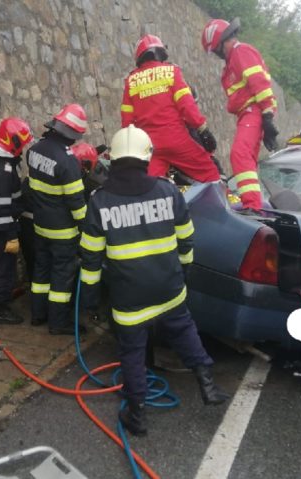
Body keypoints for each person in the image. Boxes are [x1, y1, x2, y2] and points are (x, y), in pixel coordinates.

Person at [79, 125, 230, 436]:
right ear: (147, 157)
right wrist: (183, 273)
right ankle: (208, 385)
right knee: (184, 331)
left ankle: (137, 415)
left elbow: (91, 260)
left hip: (129, 300)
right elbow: (186, 241)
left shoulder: (100, 201)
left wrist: (91, 300)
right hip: (169, 289)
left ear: (113, 158)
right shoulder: (168, 190)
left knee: (132, 352)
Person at [202, 18, 280, 210]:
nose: (218, 55)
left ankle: (252, 207)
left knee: (240, 154)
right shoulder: (235, 58)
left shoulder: (240, 51)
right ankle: (255, 204)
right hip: (248, 113)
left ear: (221, 43)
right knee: (249, 161)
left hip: (253, 111)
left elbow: (258, 82)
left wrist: (267, 115)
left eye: (216, 50)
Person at [120, 34, 221, 183]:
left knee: (149, 189)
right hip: (176, 140)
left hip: (150, 147)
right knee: (211, 175)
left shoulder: (131, 81)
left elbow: (127, 122)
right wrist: (202, 129)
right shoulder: (172, 72)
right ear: (160, 53)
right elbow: (187, 106)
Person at [27, 104, 90, 335]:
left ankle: (38, 314)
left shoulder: (33, 151)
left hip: (40, 225)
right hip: (63, 232)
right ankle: (58, 323)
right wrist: (86, 229)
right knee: (62, 276)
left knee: (41, 271)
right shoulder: (68, 162)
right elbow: (76, 202)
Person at [0, 117, 34, 324]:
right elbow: (2, 210)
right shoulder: (3, 171)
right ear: (14, 142)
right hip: (1, 226)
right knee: (3, 268)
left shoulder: (2, 163)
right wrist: (11, 235)